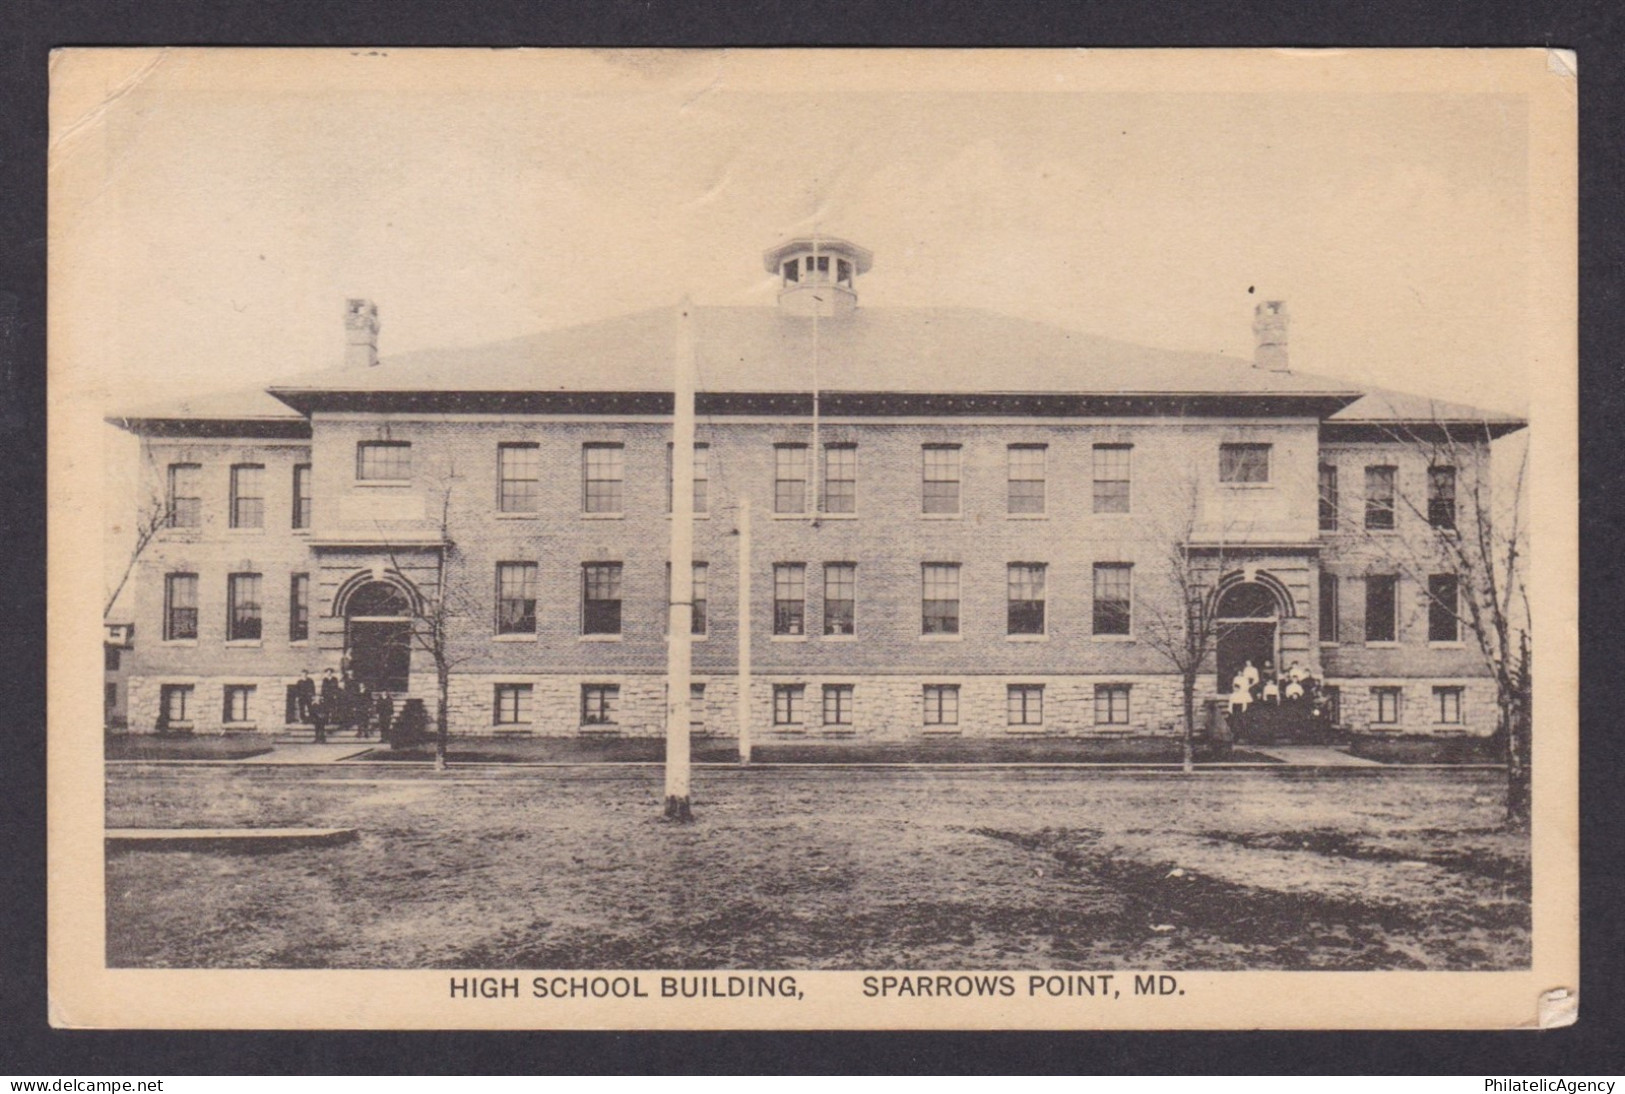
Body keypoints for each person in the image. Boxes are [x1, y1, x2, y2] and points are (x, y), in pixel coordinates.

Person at [316, 667, 342, 744]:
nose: (329, 673)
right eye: (328, 672)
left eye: (330, 672)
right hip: (327, 696)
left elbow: (336, 687)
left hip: (333, 696)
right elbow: (323, 688)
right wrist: (322, 696)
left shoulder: (334, 679)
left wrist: (335, 694)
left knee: (333, 708)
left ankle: (333, 719)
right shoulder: (325, 680)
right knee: (326, 709)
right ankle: (326, 720)